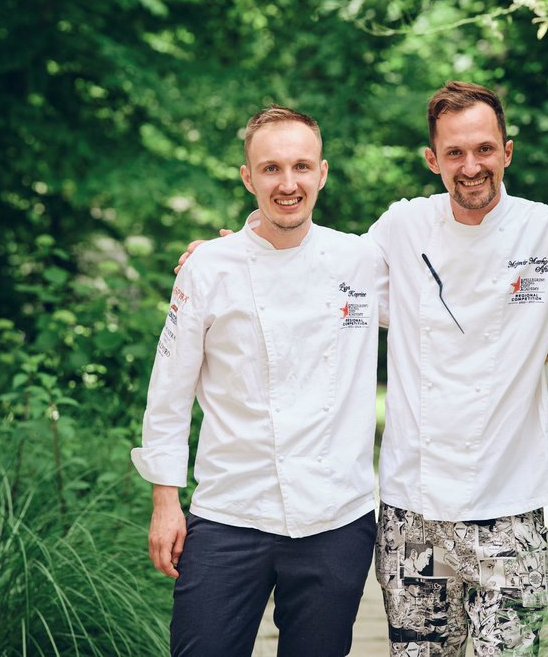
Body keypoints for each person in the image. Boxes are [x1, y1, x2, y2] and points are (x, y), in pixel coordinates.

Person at [175, 82, 548, 656]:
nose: (471, 166)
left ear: (507, 152)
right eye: (455, 152)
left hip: (511, 512)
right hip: (414, 516)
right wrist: (234, 250)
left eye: (485, 149)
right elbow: (319, 280)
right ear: (432, 160)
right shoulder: (401, 227)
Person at [131, 106, 388, 656]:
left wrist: (544, 326)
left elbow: (448, 314)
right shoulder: (209, 268)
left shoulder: (363, 261)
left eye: (301, 167)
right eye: (271, 168)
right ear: (248, 178)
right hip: (230, 512)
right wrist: (165, 500)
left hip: (335, 516)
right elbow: (169, 390)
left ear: (322, 172)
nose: (288, 183)